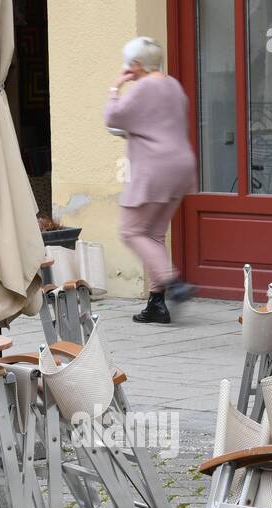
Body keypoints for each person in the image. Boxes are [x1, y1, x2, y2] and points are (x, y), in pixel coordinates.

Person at [104, 37, 198, 325]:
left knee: (131, 231)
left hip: (153, 168)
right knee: (154, 234)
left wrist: (115, 86)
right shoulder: (173, 85)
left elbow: (113, 118)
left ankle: (175, 281)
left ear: (136, 65)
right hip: (180, 166)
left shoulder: (144, 87)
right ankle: (157, 305)